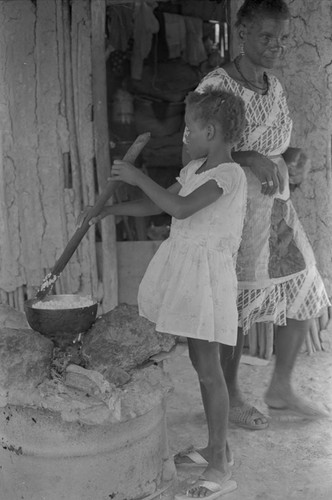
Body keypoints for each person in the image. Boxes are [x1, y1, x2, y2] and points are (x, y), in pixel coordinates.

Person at [79, 88, 247, 499]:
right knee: (200, 363)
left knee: (210, 371)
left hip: (207, 281)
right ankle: (212, 447)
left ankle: (222, 465)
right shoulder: (193, 169)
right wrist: (109, 211)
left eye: (190, 128)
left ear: (210, 129)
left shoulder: (229, 174)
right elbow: (158, 205)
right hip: (188, 277)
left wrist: (137, 176)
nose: (185, 134)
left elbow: (181, 209)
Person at [177, 0, 330, 440]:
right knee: (234, 310)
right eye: (266, 36)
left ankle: (281, 386)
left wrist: (291, 158)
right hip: (234, 213)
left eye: (282, 38)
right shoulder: (218, 85)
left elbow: (276, 144)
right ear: (241, 32)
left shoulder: (273, 85)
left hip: (277, 211)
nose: (276, 46)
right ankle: (234, 394)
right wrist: (245, 156)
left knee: (304, 288)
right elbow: (194, 149)